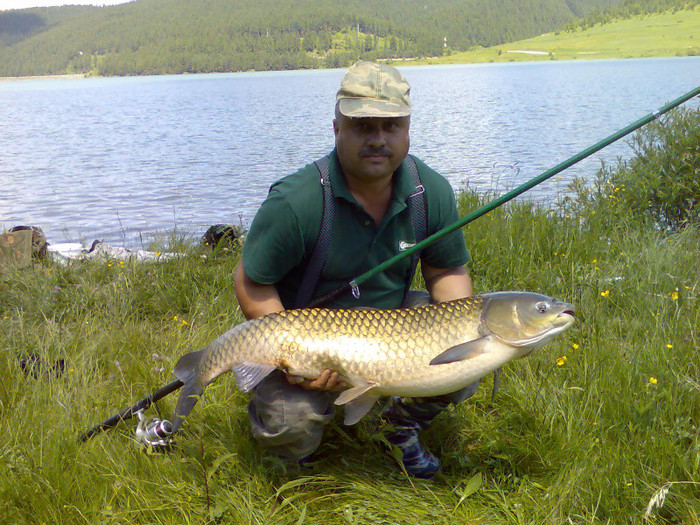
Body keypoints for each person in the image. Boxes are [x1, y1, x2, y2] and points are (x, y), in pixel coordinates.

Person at [233, 61, 478, 479]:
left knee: (470, 357)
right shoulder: (298, 201)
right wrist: (295, 357)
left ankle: (398, 427)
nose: (378, 139)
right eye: (363, 126)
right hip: (306, 337)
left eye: (391, 127)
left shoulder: (429, 191)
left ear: (407, 129)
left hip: (389, 326)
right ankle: (289, 461)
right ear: (336, 129)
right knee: (292, 422)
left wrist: (460, 333)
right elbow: (250, 283)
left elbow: (446, 273)